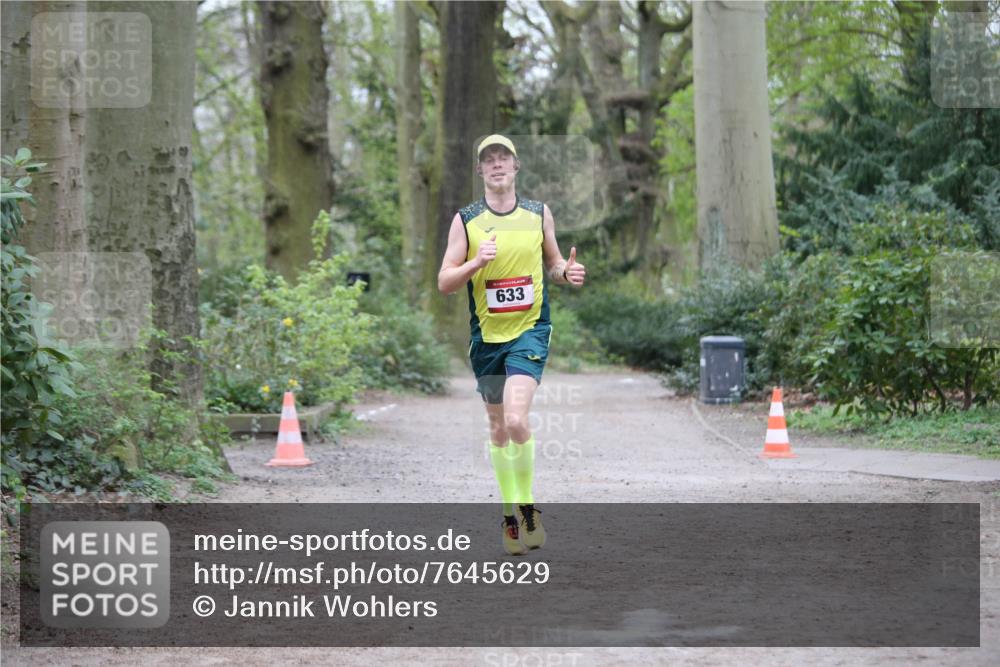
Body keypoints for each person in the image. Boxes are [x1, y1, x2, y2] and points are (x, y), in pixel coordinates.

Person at [437, 134, 586, 555]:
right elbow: (445, 282)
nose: (497, 165)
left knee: (517, 420)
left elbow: (554, 263)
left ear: (516, 167)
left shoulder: (538, 214)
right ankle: (509, 515)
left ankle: (527, 507)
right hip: (486, 339)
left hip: (530, 330)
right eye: (489, 160)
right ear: (481, 171)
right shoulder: (465, 220)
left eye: (504, 158)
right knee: (499, 428)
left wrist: (565, 273)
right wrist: (476, 262)